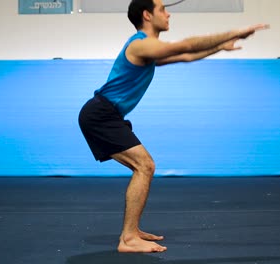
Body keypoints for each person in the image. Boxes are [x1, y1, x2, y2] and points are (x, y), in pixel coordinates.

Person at [78, 0, 269, 253]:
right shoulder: (140, 44)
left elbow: (187, 55)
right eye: (162, 9)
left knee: (143, 167)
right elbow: (186, 45)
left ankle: (132, 231)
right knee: (145, 166)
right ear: (147, 15)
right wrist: (234, 31)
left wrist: (219, 47)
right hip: (101, 114)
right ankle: (128, 239)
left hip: (105, 114)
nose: (168, 14)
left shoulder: (146, 49)